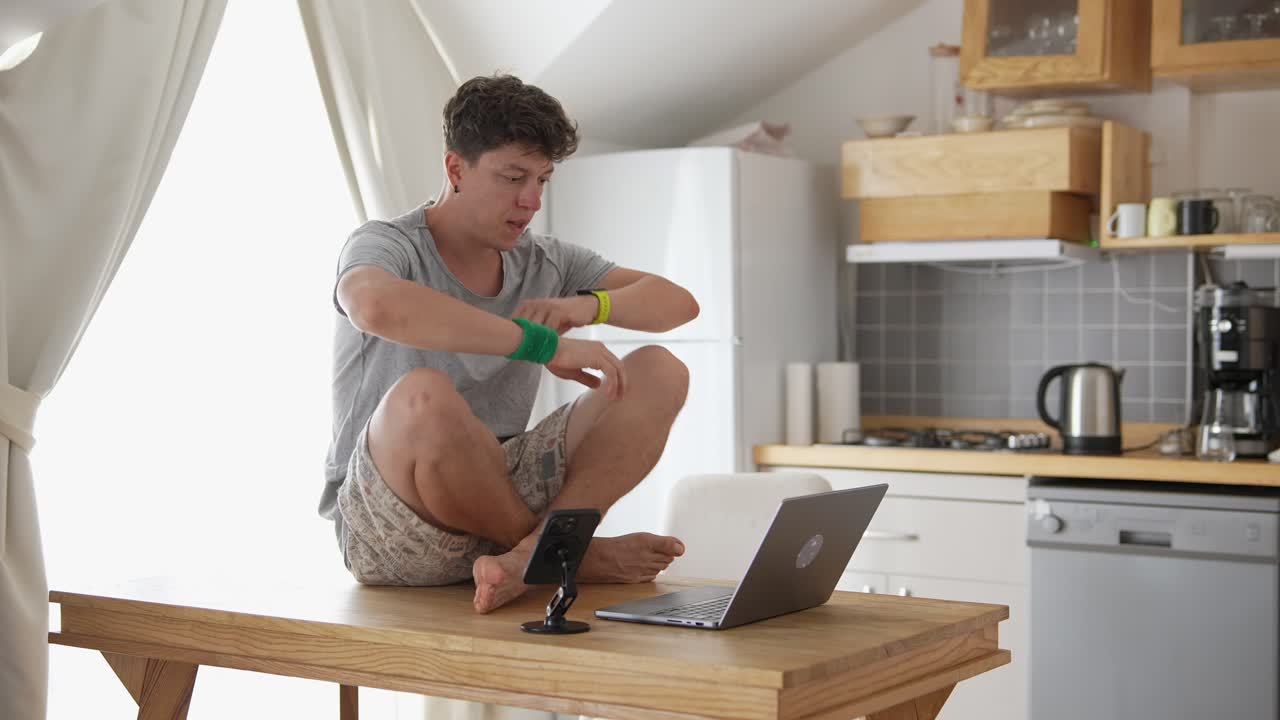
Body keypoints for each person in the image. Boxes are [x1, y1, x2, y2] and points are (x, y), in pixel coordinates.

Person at [321, 74, 699, 613]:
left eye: (542, 179)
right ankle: (569, 557)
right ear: (456, 169)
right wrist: (543, 345)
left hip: (501, 486)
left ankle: (534, 555)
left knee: (660, 368)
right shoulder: (386, 243)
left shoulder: (547, 259)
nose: (531, 200)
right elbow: (376, 306)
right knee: (423, 397)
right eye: (513, 177)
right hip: (389, 520)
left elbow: (678, 302)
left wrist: (588, 306)